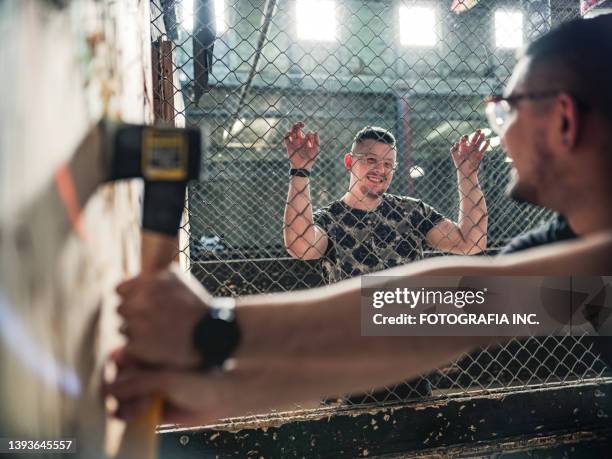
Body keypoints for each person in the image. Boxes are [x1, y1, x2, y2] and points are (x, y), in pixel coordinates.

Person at [105, 15, 612, 425]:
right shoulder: (579, 247)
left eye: (507, 115)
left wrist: (215, 330)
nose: (499, 134)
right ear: (352, 164)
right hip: (356, 377)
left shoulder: (418, 214)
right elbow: (438, 314)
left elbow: (446, 304)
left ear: (564, 119)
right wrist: (232, 382)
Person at [283, 124, 490, 284]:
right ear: (349, 162)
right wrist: (300, 170)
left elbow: (471, 242)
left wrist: (467, 174)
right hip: (354, 334)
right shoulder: (330, 219)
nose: (381, 170)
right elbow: (299, 246)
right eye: (371, 160)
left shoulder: (412, 212)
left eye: (388, 164)